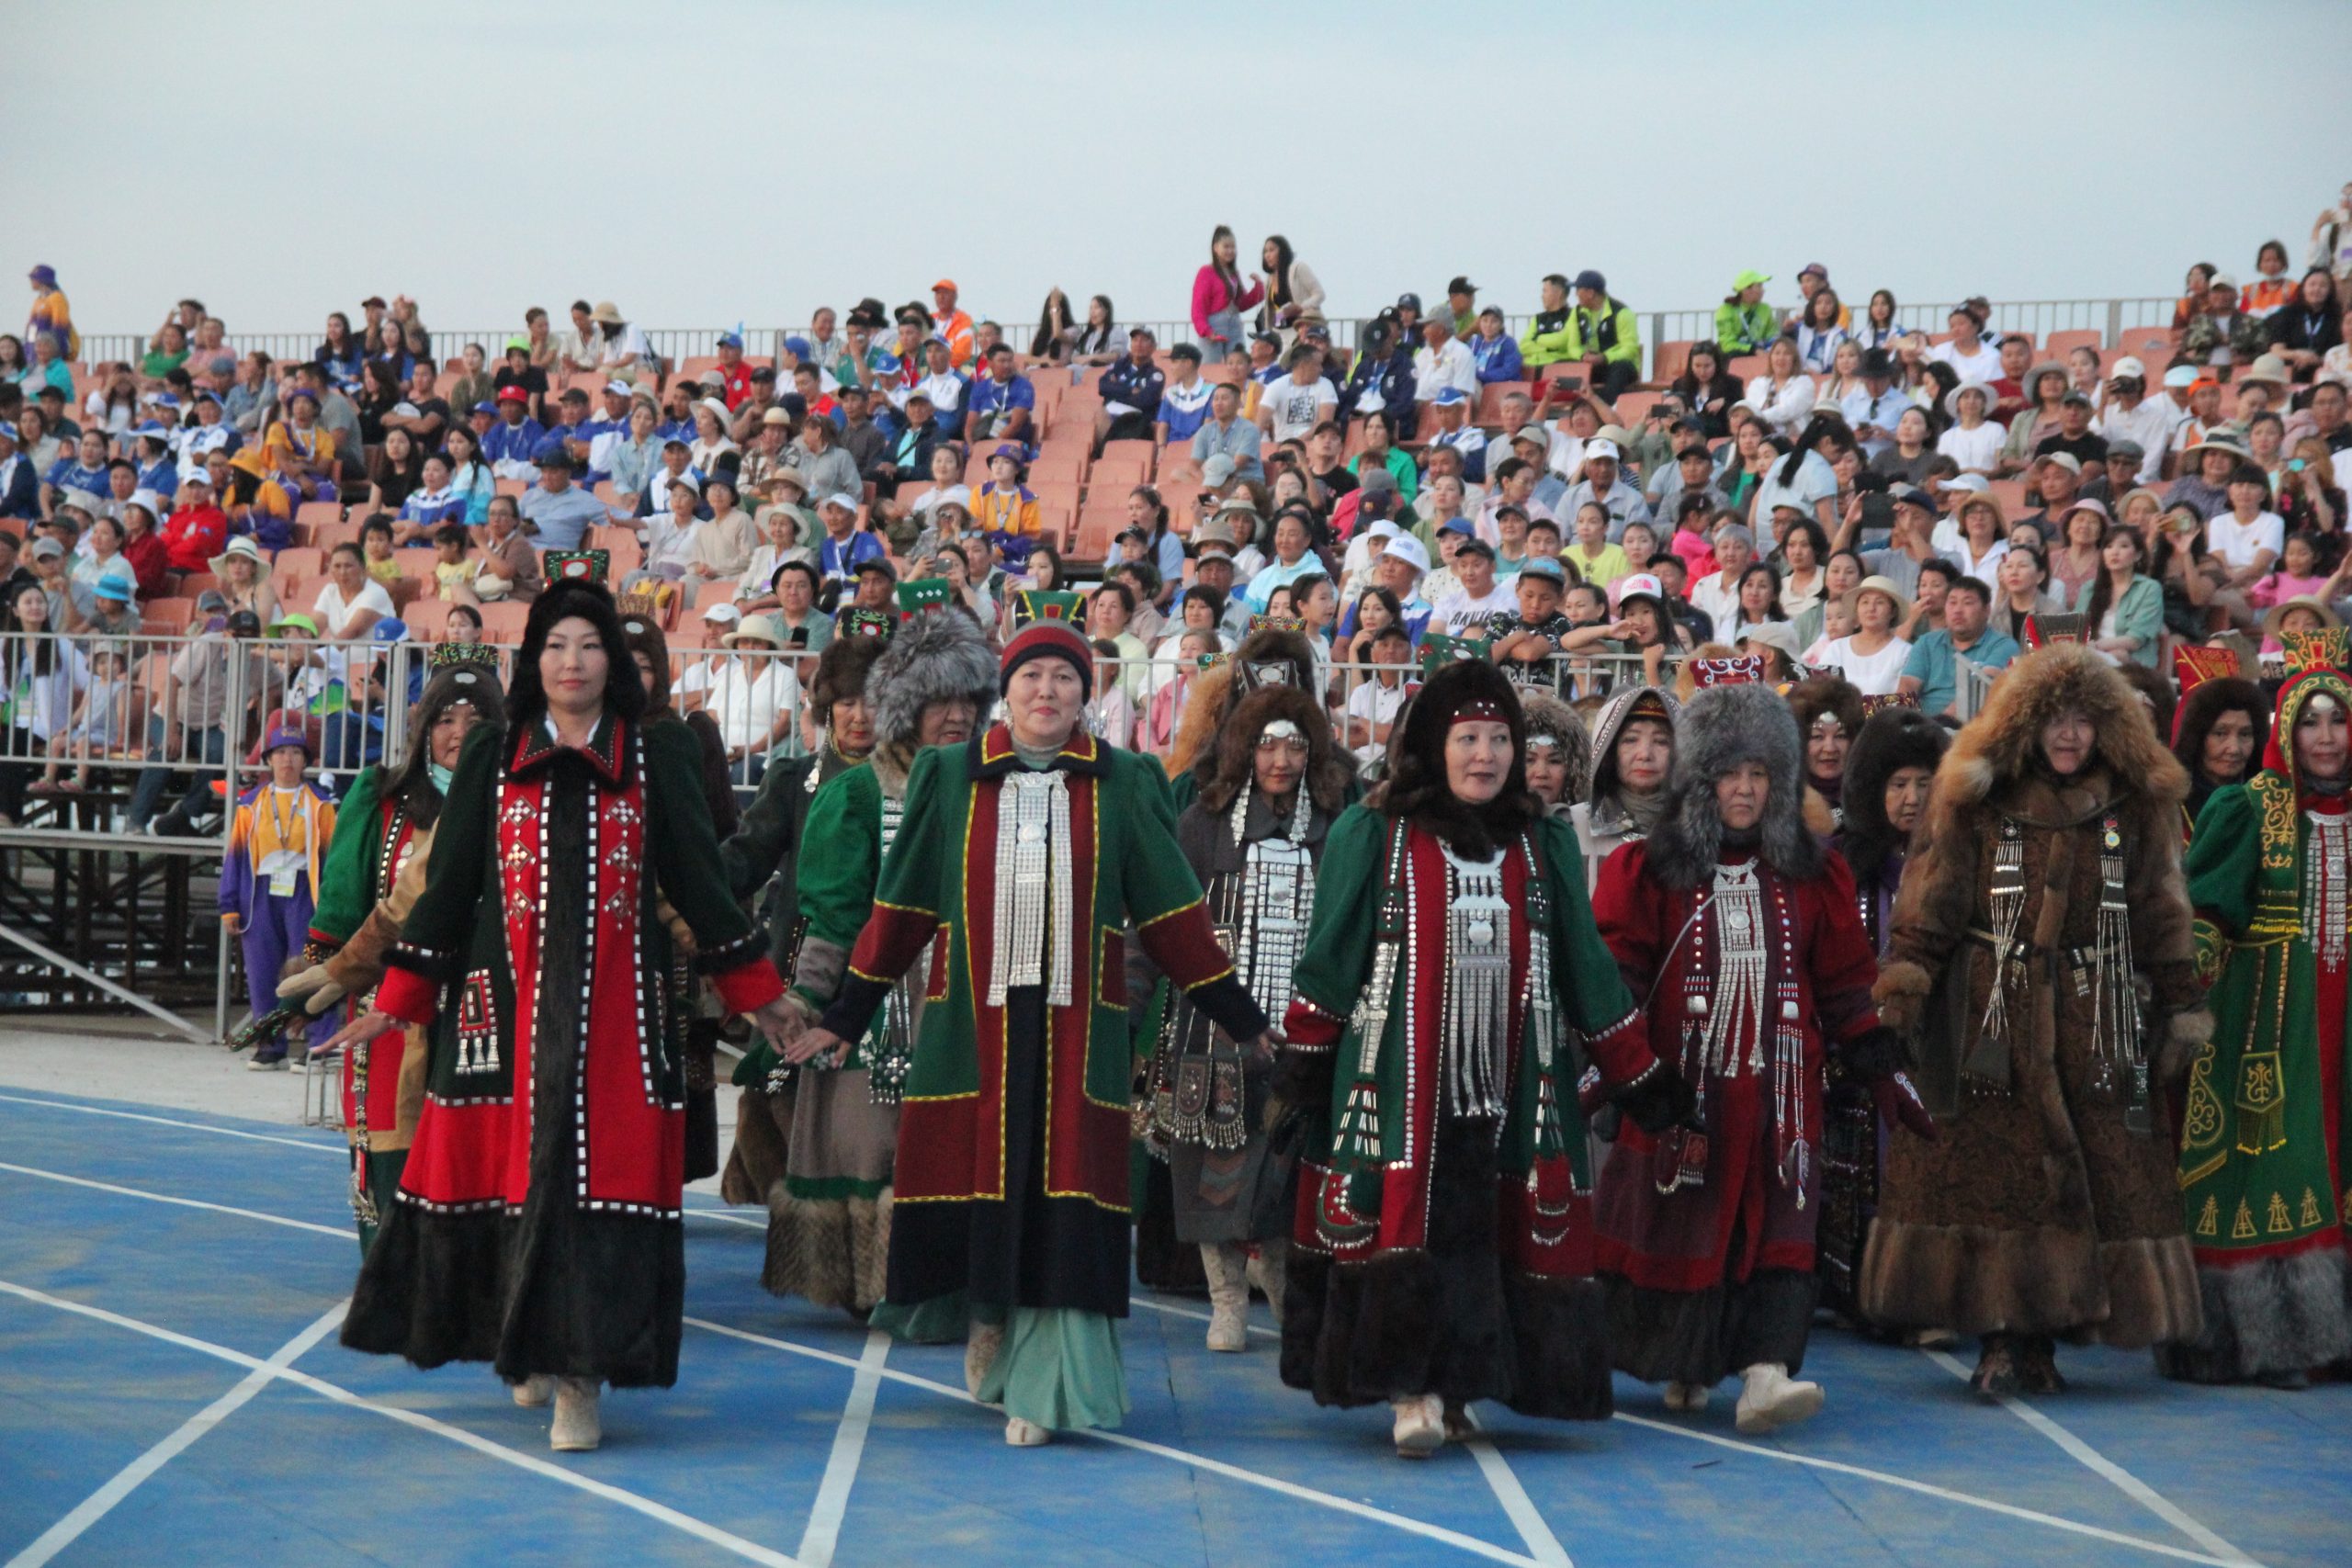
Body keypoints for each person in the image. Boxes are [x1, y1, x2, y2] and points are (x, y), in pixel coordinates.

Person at [332, 573, 795, 1453]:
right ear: (532, 661)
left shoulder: (653, 756)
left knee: (597, 1184)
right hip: (504, 1014)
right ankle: (524, 1342)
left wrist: (760, 997)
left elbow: (703, 884)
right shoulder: (493, 754)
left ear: (612, 660)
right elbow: (451, 886)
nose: (572, 661)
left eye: (588, 645)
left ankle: (581, 1376)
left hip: (622, 1019)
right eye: (554, 645)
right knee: (511, 1175)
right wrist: (396, 998)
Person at [796, 619, 1270, 1447]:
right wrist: (845, 1016)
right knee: (979, 1184)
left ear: (1087, 693)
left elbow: (1169, 912)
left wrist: (1241, 1015)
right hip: (968, 1036)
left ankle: (1049, 1382)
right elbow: (902, 910)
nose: (1046, 692)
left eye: (1063, 677)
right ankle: (989, 1319)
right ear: (1004, 692)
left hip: (1077, 1038)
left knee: (1064, 1202)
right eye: (1031, 677)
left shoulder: (1123, 780)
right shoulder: (950, 776)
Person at [1274, 658, 1685, 1456]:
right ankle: (1409, 1387)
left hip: (1517, 1081)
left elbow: (1586, 969)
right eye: (1469, 737)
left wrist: (1639, 1073)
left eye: (1502, 738)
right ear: (1434, 744)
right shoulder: (1376, 832)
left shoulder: (1542, 842)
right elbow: (1331, 958)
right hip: (1396, 1082)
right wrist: (1304, 1065)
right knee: (1406, 1218)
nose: (1487, 755)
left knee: (1495, 1228)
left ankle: (1463, 1381)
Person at [1868, 643, 2206, 1398]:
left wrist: (2181, 1001)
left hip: (2097, 1014)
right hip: (1991, 1011)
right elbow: (1933, 893)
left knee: (2094, 1170)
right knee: (1993, 1175)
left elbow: (2162, 906)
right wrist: (1909, 976)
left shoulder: (2134, 798)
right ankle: (1996, 1337)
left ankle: (2048, 1335)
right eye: (2054, 716)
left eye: (2086, 718)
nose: (2070, 734)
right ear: (2023, 720)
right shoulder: (1973, 792)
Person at [1593, 676, 1921, 1430]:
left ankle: (1766, 1373)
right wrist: (1616, 1071)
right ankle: (1688, 1361)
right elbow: (1622, 974)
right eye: (1728, 773)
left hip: (1784, 1102)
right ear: (1701, 781)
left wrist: (1884, 1068)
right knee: (1677, 1223)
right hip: (1683, 1095)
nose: (1744, 789)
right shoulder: (1651, 868)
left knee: (1780, 1227)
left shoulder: (1815, 870)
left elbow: (1844, 982)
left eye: (1759, 773)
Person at [758, 615, 996, 1325]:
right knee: (873, 1145)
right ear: (905, 710)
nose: (954, 716)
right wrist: (808, 999)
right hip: (880, 1004)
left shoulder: (1003, 786)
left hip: (977, 1000)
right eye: (935, 701)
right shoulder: (856, 795)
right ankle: (875, 1282)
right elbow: (833, 917)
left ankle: (957, 1284)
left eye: (966, 701)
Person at [1131, 684, 1347, 1349]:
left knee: (1286, 1168)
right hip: (1211, 1025)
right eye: (1266, 744)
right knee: (1209, 1167)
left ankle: (1277, 1277)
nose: (1280, 759)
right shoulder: (1200, 821)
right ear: (1243, 749)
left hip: (1307, 1027)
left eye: (1294, 745)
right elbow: (1162, 921)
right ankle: (1226, 1298)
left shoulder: (1337, 826)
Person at [2164, 645, 2352, 1385]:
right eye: (2312, 721)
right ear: (2290, 731)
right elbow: (2206, 910)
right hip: (2269, 1022)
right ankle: (2273, 1340)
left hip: (2345, 1022)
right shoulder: (2248, 805)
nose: (2329, 736)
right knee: (2279, 1163)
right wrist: (2184, 998)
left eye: (2340, 719)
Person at [274, 652, 501, 1247]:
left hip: (487, 1005)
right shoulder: (382, 797)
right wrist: (316, 978)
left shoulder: (519, 803)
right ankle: (392, 1270)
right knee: (390, 1140)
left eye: (476, 719)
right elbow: (347, 898)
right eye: (446, 717)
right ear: (423, 727)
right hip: (386, 1001)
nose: (460, 732)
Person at [716, 637, 885, 1215]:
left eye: (873, 701)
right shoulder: (794, 778)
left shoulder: (920, 781)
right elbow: (743, 859)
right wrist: (688, 885)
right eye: (845, 703)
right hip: (798, 970)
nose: (859, 716)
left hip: (881, 975)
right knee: (777, 1101)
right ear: (826, 709)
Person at [220, 727, 339, 1073]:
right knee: (262, 970)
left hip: (305, 890)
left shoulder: (320, 805)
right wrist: (229, 904)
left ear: (306, 761)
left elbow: (332, 858)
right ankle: (271, 1047)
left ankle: (320, 1044)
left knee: (311, 967)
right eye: (281, 753)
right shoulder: (250, 805)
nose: (288, 760)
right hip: (261, 892)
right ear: (268, 760)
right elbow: (236, 858)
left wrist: (332, 906)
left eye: (296, 753)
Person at [1569, 684, 1677, 888]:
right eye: (1630, 740)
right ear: (1609, 750)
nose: (1645, 754)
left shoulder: (1695, 830)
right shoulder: (1573, 827)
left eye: (1661, 741)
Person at [1900, 577, 2018, 716]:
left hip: (1969, 726)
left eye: (1967, 603)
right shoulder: (1927, 642)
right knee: (1872, 712)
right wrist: (1905, 720)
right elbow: (1907, 685)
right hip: (1921, 725)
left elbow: (1979, 691)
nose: (1957, 610)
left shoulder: (2003, 645)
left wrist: (1941, 723)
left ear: (1986, 610)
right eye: (1952, 602)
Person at [2169, 669, 2269, 831]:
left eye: (2245, 734)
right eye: (2220, 733)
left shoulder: (2269, 800)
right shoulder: (2166, 801)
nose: (2234, 749)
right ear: (2197, 737)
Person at [1191, 226, 1264, 364]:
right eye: (1226, 247)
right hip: (1215, 325)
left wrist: (1259, 288)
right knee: (1210, 367)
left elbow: (1241, 304)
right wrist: (1207, 331)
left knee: (1239, 362)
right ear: (1215, 248)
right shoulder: (1206, 272)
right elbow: (1198, 307)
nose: (1230, 251)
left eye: (1233, 247)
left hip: (1234, 323)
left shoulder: (1233, 274)